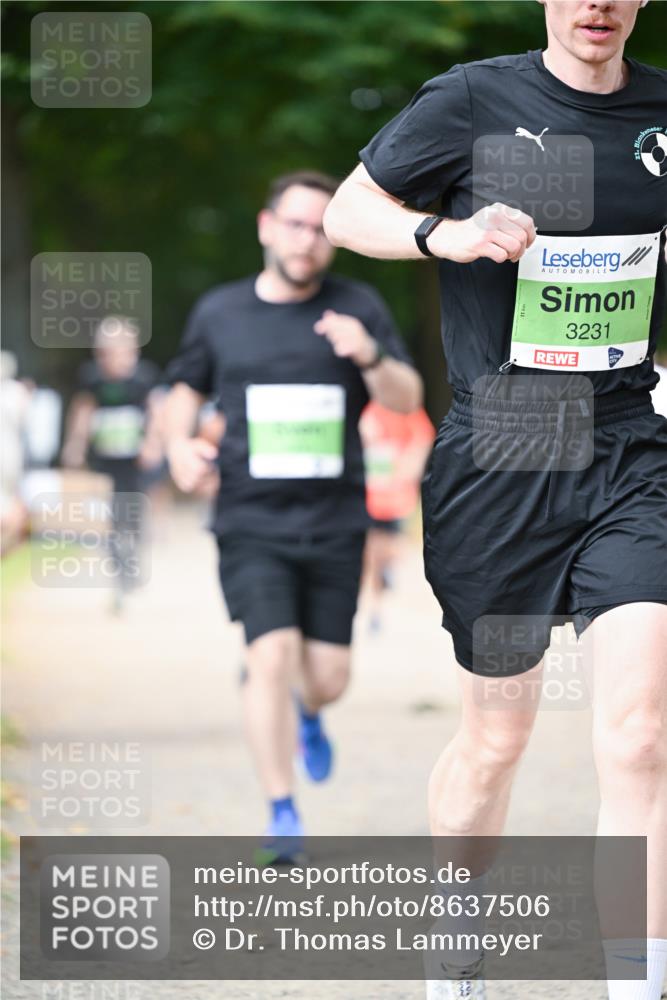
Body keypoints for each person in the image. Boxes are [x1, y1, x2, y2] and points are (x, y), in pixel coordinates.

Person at [324, 1, 667, 998]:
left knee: (640, 735)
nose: (596, 5)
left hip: (629, 445)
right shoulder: (474, 98)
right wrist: (448, 233)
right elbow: (349, 210)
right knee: (494, 738)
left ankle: (635, 979)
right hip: (503, 452)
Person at [163, 170, 422, 863]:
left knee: (328, 679)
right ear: (266, 227)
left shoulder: (356, 306)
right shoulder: (221, 312)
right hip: (250, 522)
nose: (307, 241)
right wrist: (180, 447)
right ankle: (281, 810)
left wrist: (368, 353)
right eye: (295, 224)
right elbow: (183, 390)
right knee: (269, 655)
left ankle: (307, 713)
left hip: (335, 522)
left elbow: (405, 397)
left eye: (320, 229)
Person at [62, 316, 164, 610]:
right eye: (106, 350)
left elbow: (156, 411)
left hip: (135, 462)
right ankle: (119, 571)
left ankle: (132, 559)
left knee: (132, 514)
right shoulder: (92, 378)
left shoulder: (144, 377)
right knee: (108, 519)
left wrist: (152, 443)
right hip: (104, 461)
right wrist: (75, 445)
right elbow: (84, 411)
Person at [359, 401, 435, 631]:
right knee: (370, 550)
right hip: (368, 494)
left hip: (395, 496)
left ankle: (386, 573)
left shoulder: (404, 406)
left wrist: (409, 467)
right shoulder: (363, 405)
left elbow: (423, 438)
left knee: (390, 547)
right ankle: (374, 609)